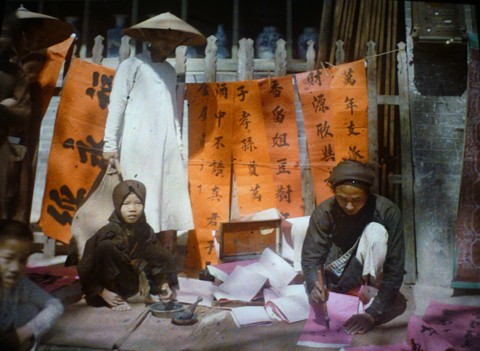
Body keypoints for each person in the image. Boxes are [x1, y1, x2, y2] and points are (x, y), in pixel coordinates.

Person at [102, 12, 206, 245]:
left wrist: (178, 144)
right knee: (136, 199)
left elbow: (172, 111)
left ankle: (156, 258)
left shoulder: (169, 72)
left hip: (165, 145)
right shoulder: (132, 65)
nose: (168, 44)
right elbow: (117, 105)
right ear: (150, 37)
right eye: (163, 38)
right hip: (137, 143)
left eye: (174, 41)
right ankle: (132, 257)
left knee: (164, 201)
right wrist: (109, 144)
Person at [302, 159, 406, 335]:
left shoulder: (387, 211)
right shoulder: (324, 211)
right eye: (342, 199)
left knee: (376, 232)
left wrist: (373, 314)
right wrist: (314, 285)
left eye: (357, 200)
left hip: (369, 276)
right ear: (334, 193)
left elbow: (395, 268)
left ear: (367, 194)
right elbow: (311, 257)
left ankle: (370, 295)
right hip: (336, 275)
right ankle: (347, 294)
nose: (349, 206)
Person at [77, 179, 177, 311]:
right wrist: (102, 291)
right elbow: (86, 267)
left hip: (131, 281)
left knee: (160, 255)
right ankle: (112, 298)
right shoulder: (108, 231)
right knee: (105, 247)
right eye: (126, 204)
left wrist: (164, 283)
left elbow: (157, 259)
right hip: (108, 283)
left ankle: (135, 293)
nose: (133, 209)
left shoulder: (145, 230)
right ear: (118, 205)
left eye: (138, 203)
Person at [0, 219, 64, 350]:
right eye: (8, 258)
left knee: (31, 309)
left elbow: (54, 305)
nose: (15, 267)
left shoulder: (20, 284)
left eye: (22, 260)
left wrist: (24, 332)